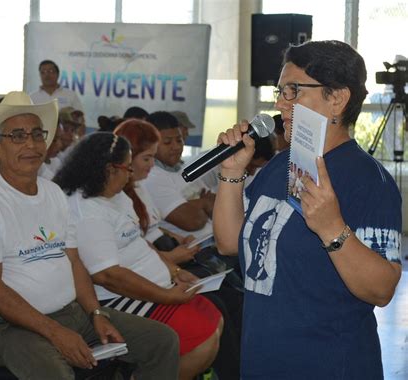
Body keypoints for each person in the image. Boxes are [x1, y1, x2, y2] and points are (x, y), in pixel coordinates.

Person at [0, 91, 180, 380]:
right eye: (18, 136)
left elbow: (74, 263)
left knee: (162, 341)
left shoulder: (53, 193)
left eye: (37, 134)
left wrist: (96, 314)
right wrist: (56, 333)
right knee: (56, 374)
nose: (32, 144)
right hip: (9, 328)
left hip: (73, 313)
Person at [213, 40, 402, 379]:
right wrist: (231, 173)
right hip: (263, 360)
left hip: (328, 364)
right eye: (280, 91)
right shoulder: (278, 166)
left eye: (293, 91)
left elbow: (383, 288)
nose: (279, 103)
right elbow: (230, 244)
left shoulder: (369, 180)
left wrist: (331, 228)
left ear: (337, 99)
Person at [53, 132, 223, 380]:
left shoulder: (117, 195)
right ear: (110, 170)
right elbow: (108, 276)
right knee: (202, 340)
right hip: (117, 297)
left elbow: (138, 241)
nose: (131, 174)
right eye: (127, 168)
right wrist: (166, 296)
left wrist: (174, 271)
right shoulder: (87, 212)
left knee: (213, 317)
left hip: (153, 285)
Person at [114, 118, 242, 379]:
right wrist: (173, 261)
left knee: (231, 297)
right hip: (139, 281)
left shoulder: (137, 187)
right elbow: (122, 258)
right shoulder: (111, 198)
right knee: (218, 304)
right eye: (146, 159)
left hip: (166, 264)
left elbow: (151, 229)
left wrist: (175, 246)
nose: (151, 166)